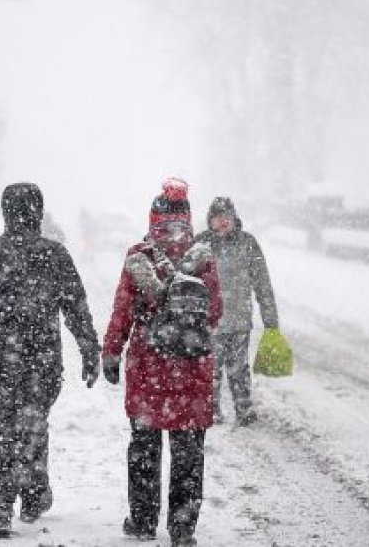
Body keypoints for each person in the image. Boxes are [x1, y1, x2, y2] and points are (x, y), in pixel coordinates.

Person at [0, 182, 101, 539]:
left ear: (5, 212)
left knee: (3, 425)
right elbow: (76, 306)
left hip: (0, 357)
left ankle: (1, 501)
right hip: (42, 356)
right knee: (34, 421)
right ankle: (33, 493)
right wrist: (88, 349)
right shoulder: (54, 254)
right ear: (38, 211)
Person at [102, 178, 222, 547]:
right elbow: (215, 312)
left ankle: (141, 521)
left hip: (148, 365)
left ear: (152, 218)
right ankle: (183, 528)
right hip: (192, 369)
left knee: (144, 447)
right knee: (188, 451)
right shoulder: (202, 256)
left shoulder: (140, 257)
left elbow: (122, 310)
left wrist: (111, 350)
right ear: (188, 217)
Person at [195, 196, 279, 426]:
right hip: (209, 321)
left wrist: (270, 319)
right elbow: (187, 280)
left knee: (239, 369)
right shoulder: (201, 245)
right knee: (210, 369)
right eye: (217, 218)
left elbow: (262, 283)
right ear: (210, 220)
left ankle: (244, 409)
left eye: (226, 218)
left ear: (234, 218)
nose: (222, 222)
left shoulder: (247, 243)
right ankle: (211, 411)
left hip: (239, 320)